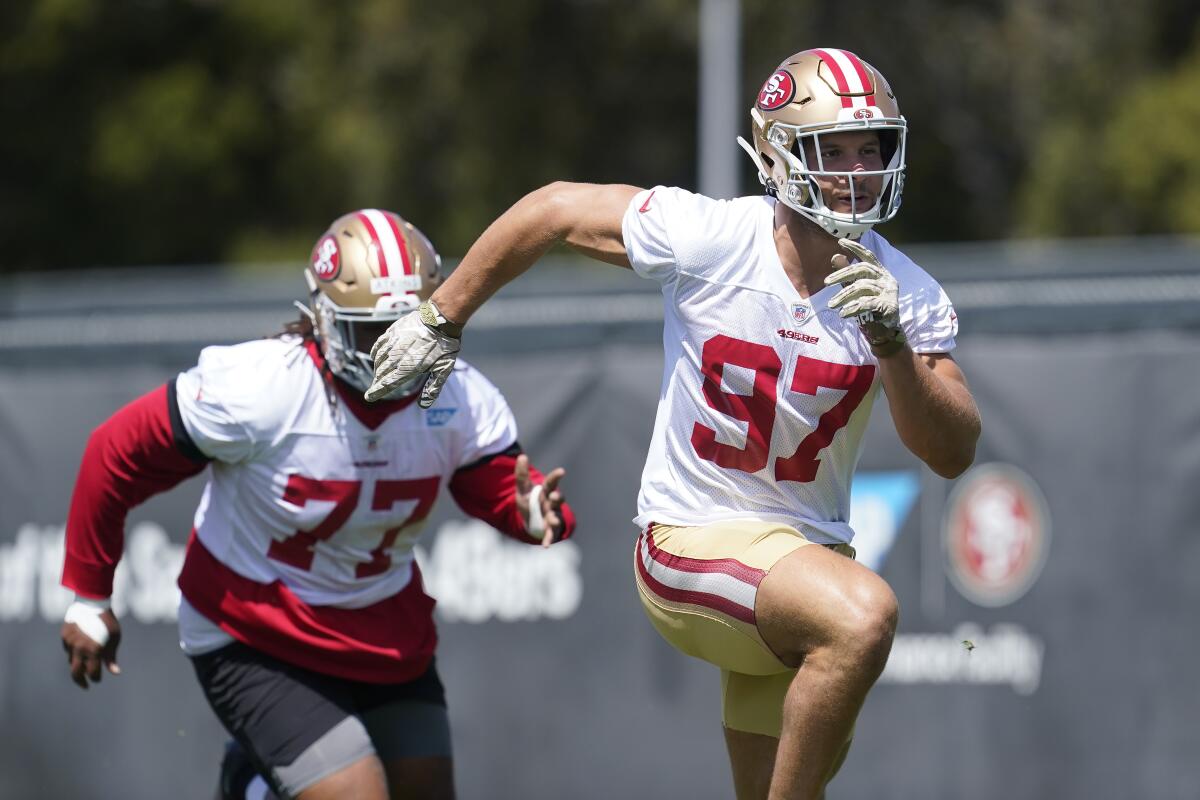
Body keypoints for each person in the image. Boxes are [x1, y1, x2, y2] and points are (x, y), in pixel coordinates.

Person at [365, 47, 981, 800]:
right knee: (862, 615)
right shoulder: (714, 236)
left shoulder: (906, 294)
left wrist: (891, 345)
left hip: (801, 563)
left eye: (871, 148)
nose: (858, 172)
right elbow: (554, 209)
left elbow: (952, 451)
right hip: (691, 542)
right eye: (833, 151)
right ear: (782, 157)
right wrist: (442, 316)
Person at [58, 209, 575, 800]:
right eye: (370, 333)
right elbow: (116, 452)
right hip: (257, 631)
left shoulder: (457, 397)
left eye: (406, 330)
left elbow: (499, 487)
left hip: (383, 630)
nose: (389, 352)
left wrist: (529, 511)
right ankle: (253, 781)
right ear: (323, 318)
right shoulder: (263, 387)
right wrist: (89, 594)